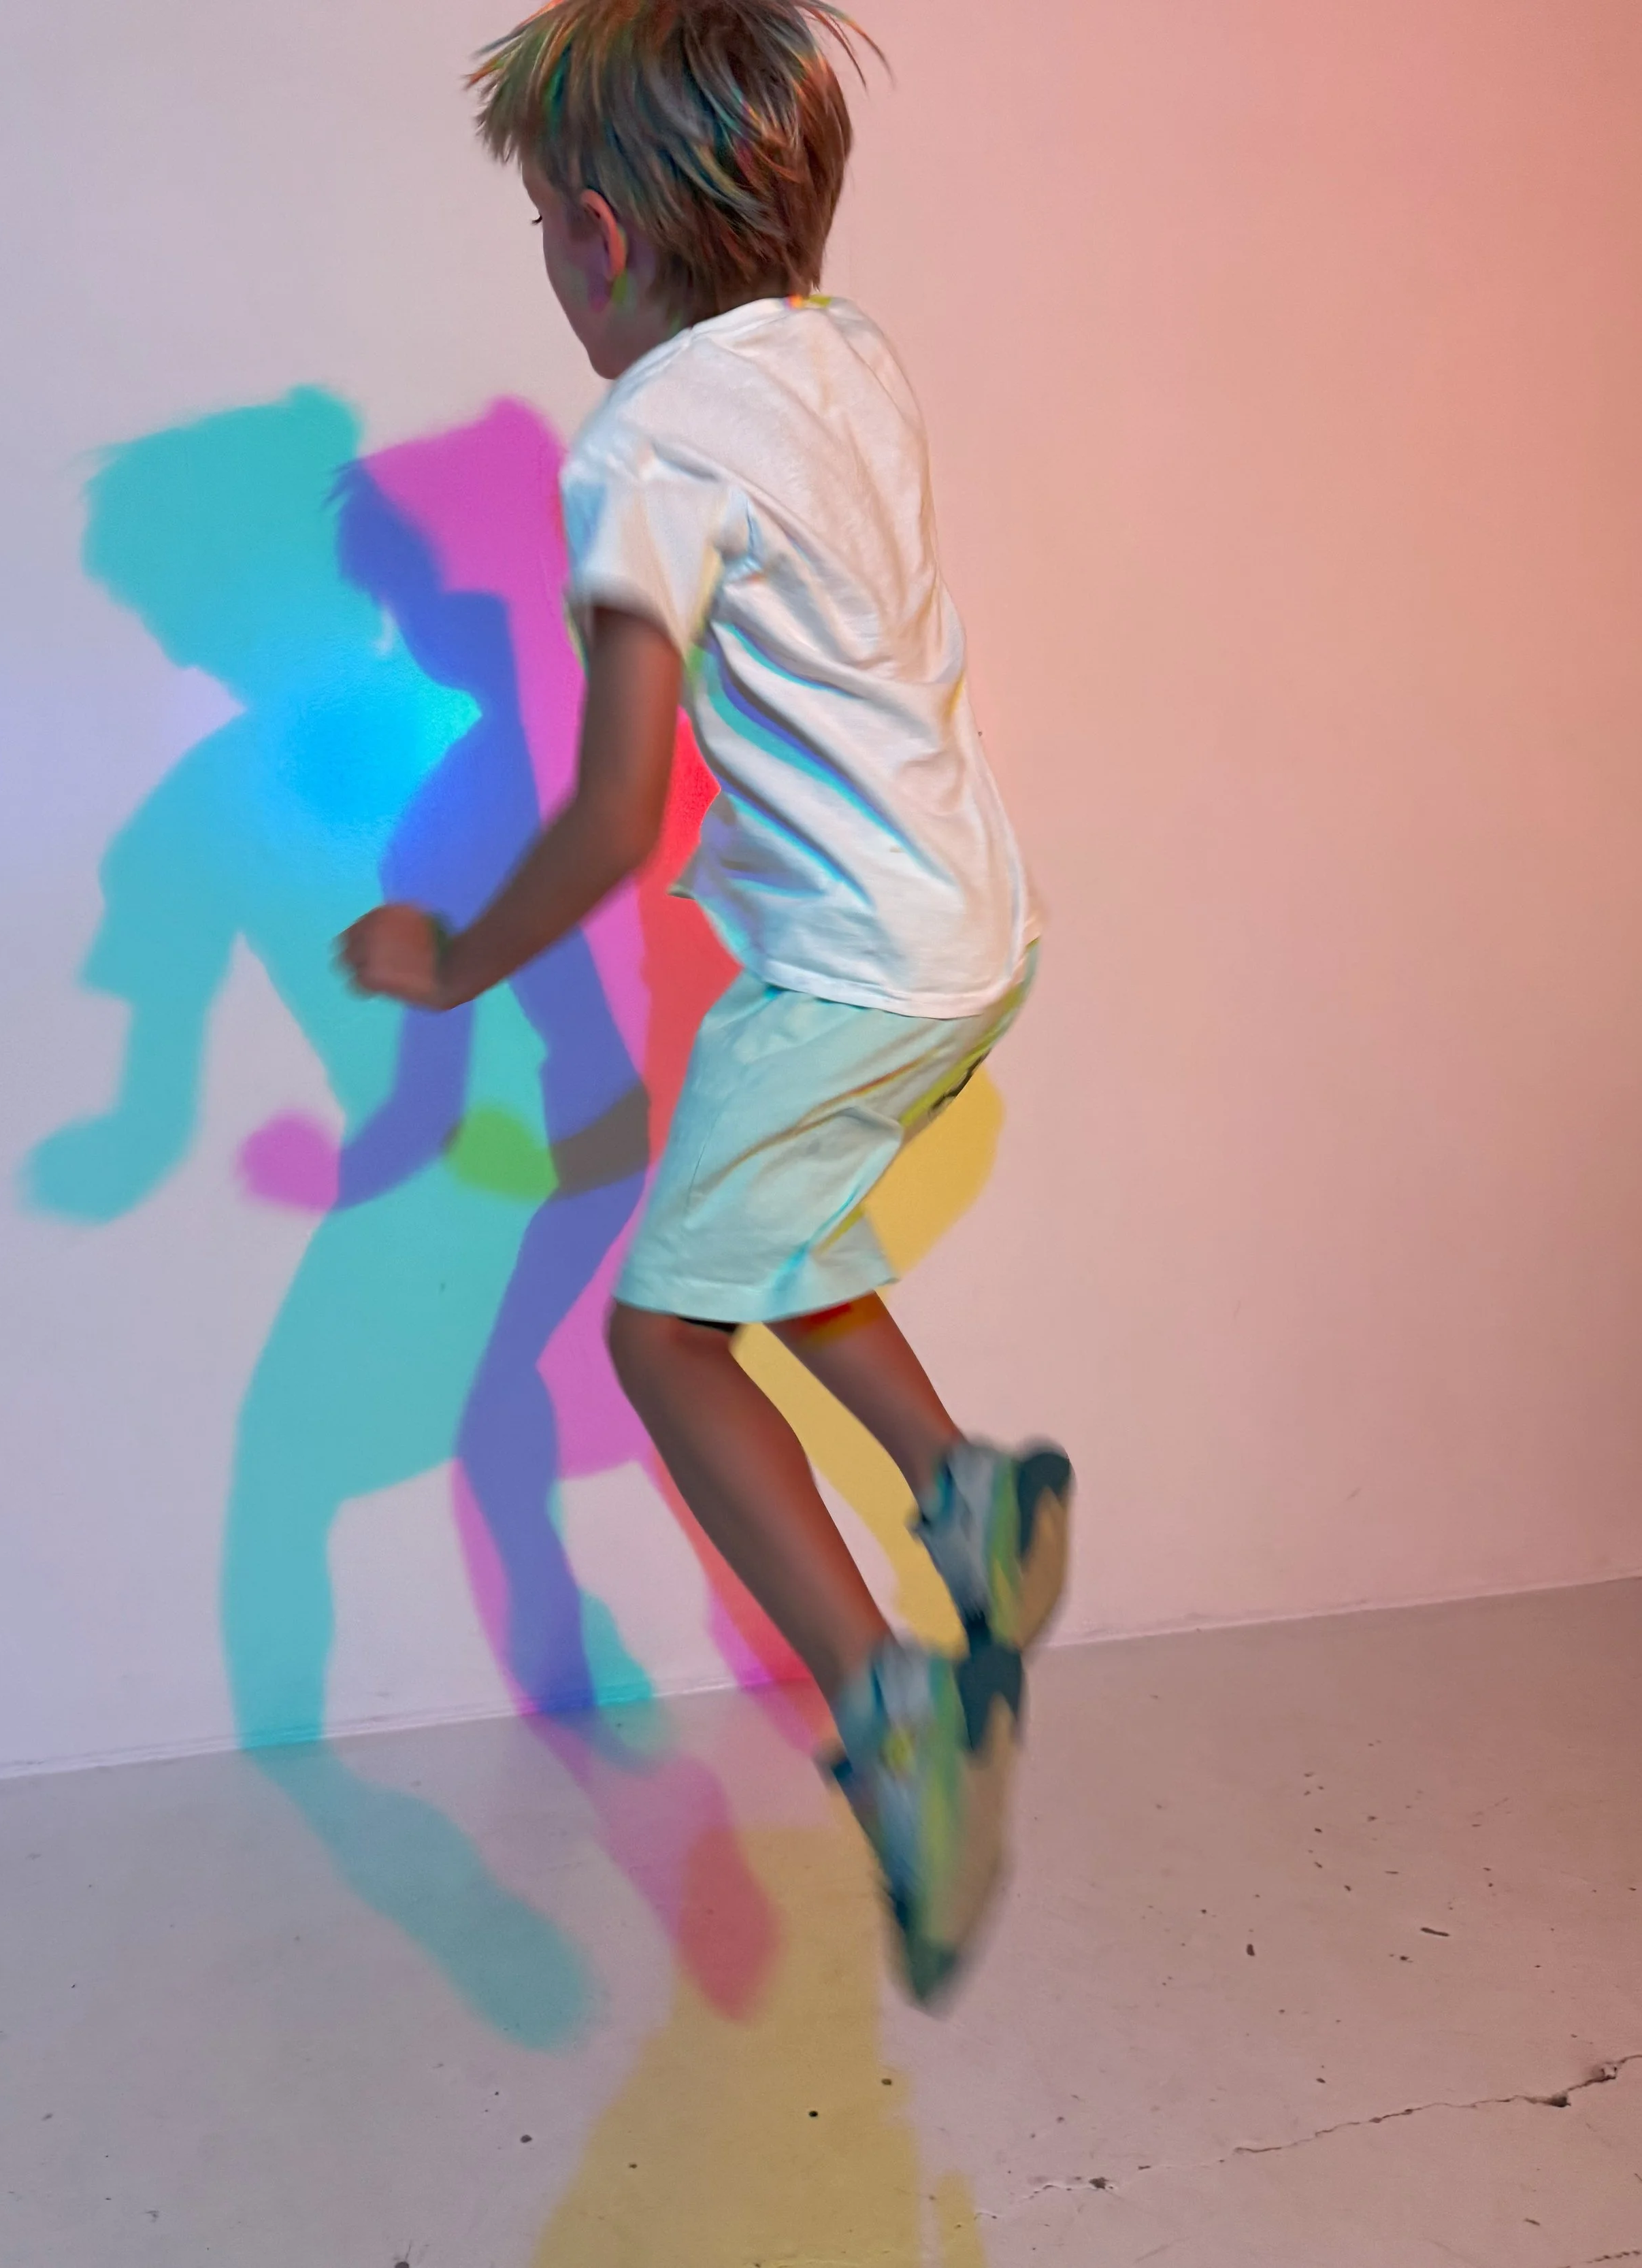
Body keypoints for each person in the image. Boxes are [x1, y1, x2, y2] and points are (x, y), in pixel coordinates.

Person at [340, 0, 1072, 2002]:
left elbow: (612, 815)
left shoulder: (644, 446)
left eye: (539, 243)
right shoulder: (843, 358)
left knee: (663, 1339)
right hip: (968, 926)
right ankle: (964, 1488)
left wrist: (445, 959)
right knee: (786, 1223)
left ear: (593, 237)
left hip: (842, 956)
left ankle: (892, 1716)